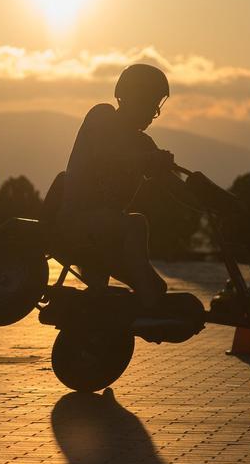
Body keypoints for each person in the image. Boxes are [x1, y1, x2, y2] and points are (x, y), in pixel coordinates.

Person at [56, 63, 194, 312]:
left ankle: (101, 324)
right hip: (77, 221)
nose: (153, 112)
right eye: (150, 102)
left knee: (155, 286)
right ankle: (148, 309)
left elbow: (171, 183)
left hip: (109, 232)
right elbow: (102, 157)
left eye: (156, 105)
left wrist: (206, 200)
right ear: (130, 97)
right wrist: (146, 160)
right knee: (136, 223)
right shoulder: (102, 117)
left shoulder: (144, 143)